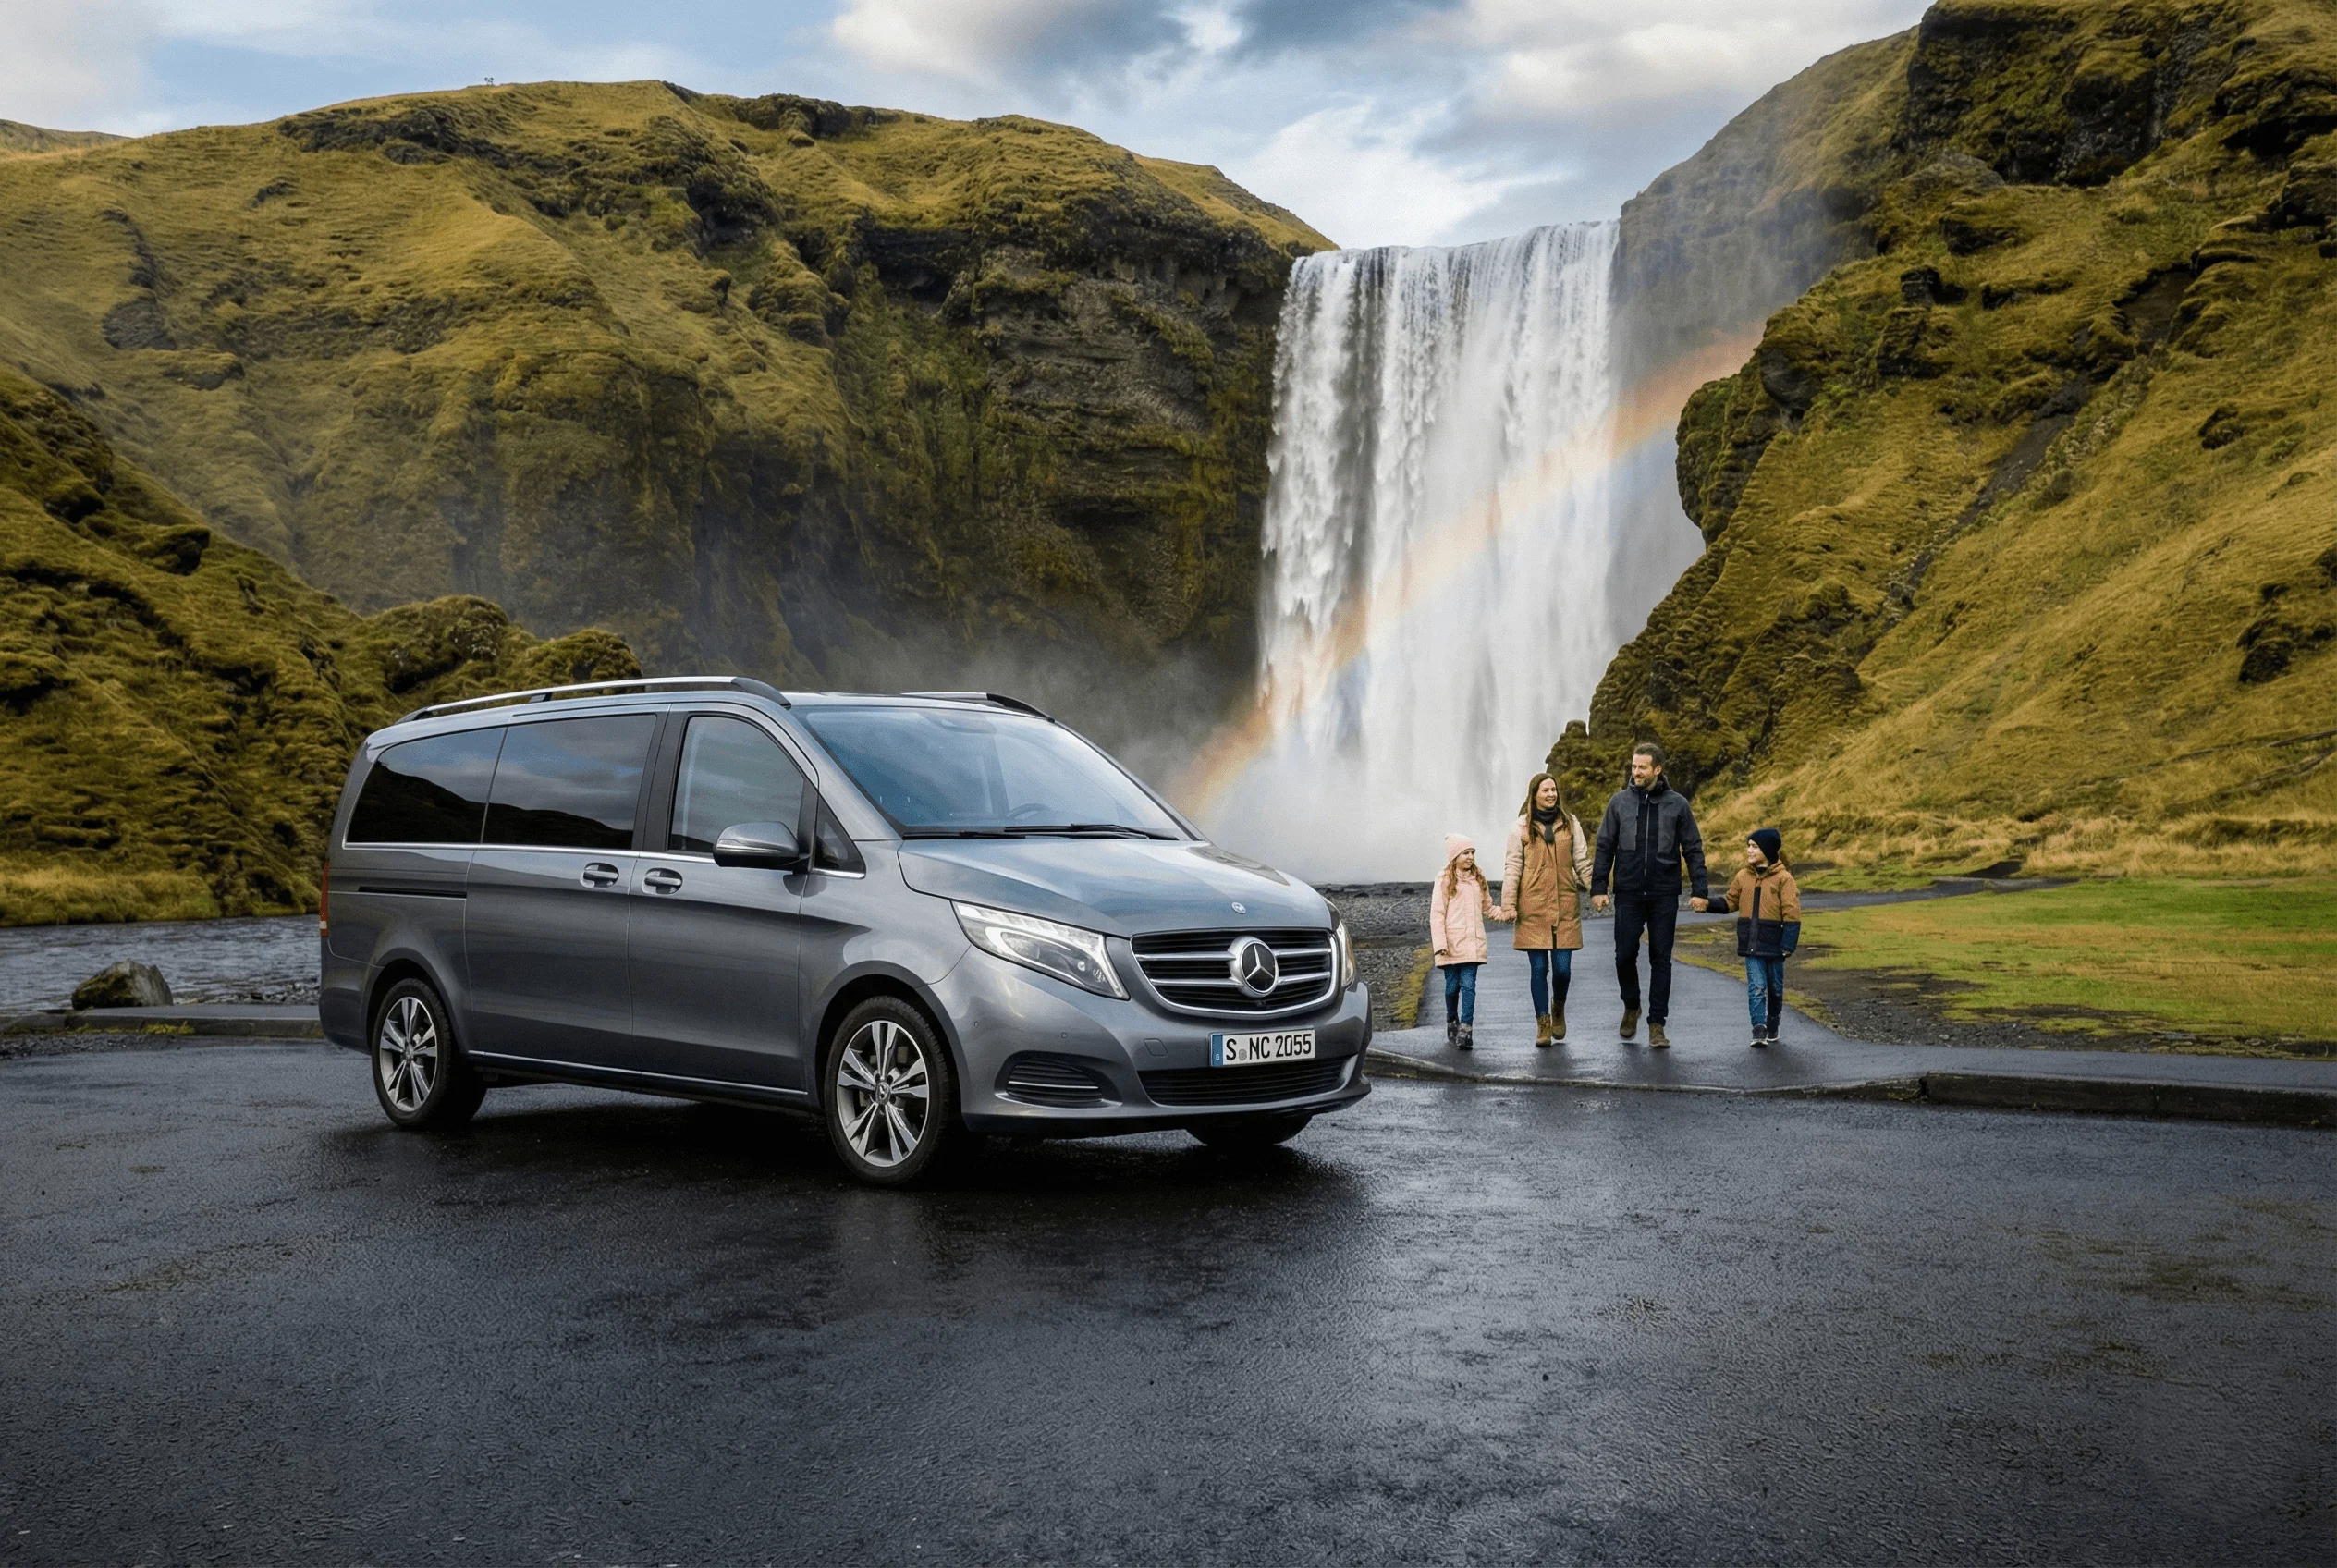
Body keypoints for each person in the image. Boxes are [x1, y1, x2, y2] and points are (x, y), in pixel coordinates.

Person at [1590, 741, 1708, 1049]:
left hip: (1664, 893)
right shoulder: (1618, 803)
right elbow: (1604, 847)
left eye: (1642, 767)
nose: (1636, 772)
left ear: (1657, 769)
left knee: (1661, 959)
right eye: (1633, 767)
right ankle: (1632, 1004)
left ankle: (1657, 1023)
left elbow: (1692, 848)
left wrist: (1700, 890)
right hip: (1628, 891)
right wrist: (1599, 887)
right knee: (1624, 955)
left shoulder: (1678, 805)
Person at [1497, 774, 1591, 1047]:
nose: (1551, 794)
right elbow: (1513, 866)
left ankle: (1558, 1006)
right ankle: (1543, 1023)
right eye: (1545, 790)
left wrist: (1597, 891)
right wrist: (1509, 904)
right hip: (1532, 906)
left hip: (1565, 905)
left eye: (1554, 789)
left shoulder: (1571, 823)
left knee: (1562, 970)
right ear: (1534, 794)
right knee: (1538, 968)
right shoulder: (1520, 828)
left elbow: (1582, 861)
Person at [1693, 827, 1802, 1048]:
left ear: (1767, 850)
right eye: (1748, 846)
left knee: (1776, 989)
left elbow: (1792, 912)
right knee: (1756, 986)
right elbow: (1730, 902)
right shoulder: (1743, 876)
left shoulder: (1784, 879)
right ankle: (1758, 1029)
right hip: (1751, 943)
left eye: (1754, 846)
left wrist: (1788, 944)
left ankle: (1773, 1022)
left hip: (1776, 945)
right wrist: (1707, 905)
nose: (1748, 850)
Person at [1429, 834, 1505, 1050]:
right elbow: (1437, 914)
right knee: (1452, 988)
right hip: (1450, 946)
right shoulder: (1444, 879)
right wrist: (1440, 945)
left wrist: (1507, 913)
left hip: (1473, 944)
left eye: (1472, 853)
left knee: (1469, 987)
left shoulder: (1478, 879)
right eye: (1466, 853)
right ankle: (1451, 1019)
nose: (1470, 857)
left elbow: (1488, 907)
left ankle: (1466, 1030)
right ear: (1455, 856)